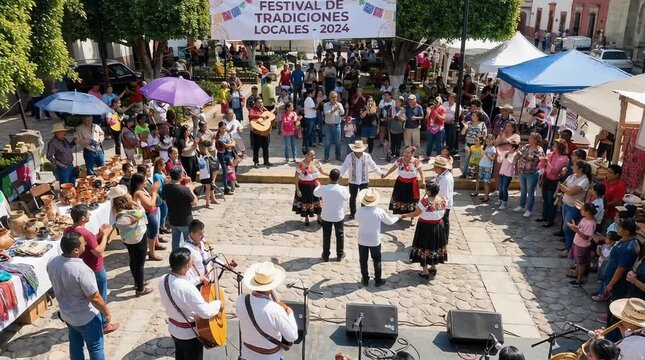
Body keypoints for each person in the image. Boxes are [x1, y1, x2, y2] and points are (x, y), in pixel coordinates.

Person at [47, 232, 112, 360]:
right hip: (86, 317)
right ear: (76, 250)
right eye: (84, 243)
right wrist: (106, 313)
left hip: (68, 315)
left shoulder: (52, 262)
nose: (86, 244)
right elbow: (95, 297)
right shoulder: (82, 270)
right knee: (96, 347)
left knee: (75, 344)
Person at [159, 248, 222, 360]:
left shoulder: (163, 279)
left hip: (174, 329)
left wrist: (198, 279)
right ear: (187, 266)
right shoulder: (187, 288)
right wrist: (218, 304)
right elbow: (205, 312)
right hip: (189, 334)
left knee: (180, 356)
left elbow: (178, 285)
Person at [63, 205, 118, 333]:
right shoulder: (86, 234)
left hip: (81, 266)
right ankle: (104, 324)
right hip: (95, 268)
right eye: (88, 214)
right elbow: (98, 252)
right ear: (83, 218)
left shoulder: (68, 231)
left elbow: (87, 243)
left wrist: (97, 235)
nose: (90, 216)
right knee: (100, 296)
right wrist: (105, 236)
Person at [236, 262, 298, 360]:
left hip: (247, 355)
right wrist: (290, 313)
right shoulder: (275, 310)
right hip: (270, 357)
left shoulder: (240, 300)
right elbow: (292, 336)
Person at [110, 185, 153, 296]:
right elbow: (142, 211)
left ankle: (137, 281)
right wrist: (138, 203)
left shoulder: (116, 210)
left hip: (127, 238)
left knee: (133, 259)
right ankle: (140, 288)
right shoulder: (132, 209)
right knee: (140, 263)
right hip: (138, 237)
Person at [355, 188, 400, 286]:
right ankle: (378, 279)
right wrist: (398, 217)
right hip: (374, 240)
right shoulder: (379, 211)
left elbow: (357, 219)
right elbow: (389, 221)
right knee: (377, 260)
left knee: (363, 260)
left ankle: (365, 278)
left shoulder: (360, 211)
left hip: (362, 239)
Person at [403, 182, 447, 278]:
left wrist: (405, 215)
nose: (425, 190)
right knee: (434, 246)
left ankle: (425, 271)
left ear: (429, 191)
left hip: (426, 227)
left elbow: (416, 213)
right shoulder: (442, 199)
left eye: (426, 189)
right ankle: (433, 266)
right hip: (438, 226)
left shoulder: (424, 202)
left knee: (424, 246)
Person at [340, 140, 383, 219]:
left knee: (364, 197)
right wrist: (340, 174)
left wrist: (380, 173)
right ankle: (353, 213)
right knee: (352, 197)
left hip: (364, 180)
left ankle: (363, 212)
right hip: (353, 180)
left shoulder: (367, 156)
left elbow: (373, 165)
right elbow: (344, 166)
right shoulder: (349, 156)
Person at [314, 169, 350, 262]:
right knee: (340, 235)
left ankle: (325, 255)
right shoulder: (341, 189)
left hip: (326, 215)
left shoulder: (324, 188)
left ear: (329, 177)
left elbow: (315, 193)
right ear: (338, 178)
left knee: (326, 235)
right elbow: (347, 197)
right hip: (338, 216)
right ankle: (340, 254)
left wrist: (318, 185)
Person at [558, 160, 591, 257]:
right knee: (566, 227)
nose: (572, 167)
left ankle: (569, 250)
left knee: (568, 228)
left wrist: (566, 190)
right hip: (566, 204)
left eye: (575, 166)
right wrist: (567, 190)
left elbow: (572, 192)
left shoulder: (584, 180)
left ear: (580, 169)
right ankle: (568, 246)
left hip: (574, 207)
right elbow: (562, 185)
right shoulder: (571, 176)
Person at [130, 173, 164, 261]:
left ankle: (155, 246)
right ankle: (152, 253)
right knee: (152, 235)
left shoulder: (142, 189)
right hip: (150, 215)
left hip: (154, 213)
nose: (146, 182)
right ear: (138, 183)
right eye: (144, 181)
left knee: (155, 232)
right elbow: (150, 205)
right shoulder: (138, 193)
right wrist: (154, 192)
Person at [162, 167, 198, 250]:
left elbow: (164, 200)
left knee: (175, 241)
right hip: (185, 220)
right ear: (181, 176)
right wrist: (191, 189)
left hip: (173, 219)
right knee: (188, 242)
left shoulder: (165, 187)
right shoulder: (184, 189)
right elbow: (194, 202)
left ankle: (175, 259)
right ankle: (187, 260)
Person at [537, 139, 570, 227]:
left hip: (554, 181)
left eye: (555, 146)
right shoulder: (551, 154)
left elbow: (555, 171)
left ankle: (550, 220)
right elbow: (540, 165)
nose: (553, 147)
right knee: (545, 199)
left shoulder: (563, 158)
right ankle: (544, 216)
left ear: (559, 147)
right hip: (546, 179)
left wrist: (547, 162)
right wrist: (543, 162)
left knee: (551, 201)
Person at [383, 146, 424, 215]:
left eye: (408, 152)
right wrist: (386, 174)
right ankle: (400, 215)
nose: (405, 154)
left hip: (411, 184)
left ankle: (412, 217)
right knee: (399, 198)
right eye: (404, 152)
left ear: (412, 154)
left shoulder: (416, 162)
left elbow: (421, 173)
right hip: (400, 183)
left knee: (411, 200)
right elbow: (393, 168)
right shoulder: (400, 160)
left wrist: (423, 182)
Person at [293, 148, 329, 226]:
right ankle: (306, 218)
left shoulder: (316, 162)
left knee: (318, 202)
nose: (314, 156)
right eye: (312, 155)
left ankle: (319, 217)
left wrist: (332, 175)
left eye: (314, 155)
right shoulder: (301, 165)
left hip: (316, 186)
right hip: (305, 187)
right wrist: (298, 189)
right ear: (306, 155)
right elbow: (296, 178)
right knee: (306, 202)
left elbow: (322, 171)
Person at [514, 132, 545, 218]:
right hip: (522, 171)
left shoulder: (539, 149)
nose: (529, 139)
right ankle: (521, 205)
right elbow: (519, 154)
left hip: (532, 173)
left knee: (530, 192)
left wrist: (526, 157)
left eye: (531, 138)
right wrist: (519, 155)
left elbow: (537, 160)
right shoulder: (526, 146)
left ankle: (529, 209)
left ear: (536, 140)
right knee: (523, 190)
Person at [567, 203, 597, 285]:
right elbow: (580, 228)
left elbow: (586, 237)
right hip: (577, 243)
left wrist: (575, 230)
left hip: (583, 245)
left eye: (582, 209)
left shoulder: (590, 224)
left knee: (581, 264)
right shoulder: (584, 219)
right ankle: (575, 275)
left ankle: (579, 279)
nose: (581, 211)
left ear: (587, 212)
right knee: (577, 262)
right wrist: (574, 226)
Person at [249, 98, 277, 168]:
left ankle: (266, 161)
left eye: (261, 102)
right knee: (256, 147)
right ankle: (256, 162)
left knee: (266, 147)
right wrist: (260, 116)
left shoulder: (264, 109)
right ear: (255, 103)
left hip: (265, 131)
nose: (261, 104)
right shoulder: (253, 109)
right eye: (259, 102)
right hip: (256, 132)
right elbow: (250, 115)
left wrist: (276, 110)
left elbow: (270, 116)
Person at [460, 110, 487, 178]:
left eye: (473, 115)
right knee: (467, 158)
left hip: (477, 145)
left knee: (476, 159)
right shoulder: (468, 123)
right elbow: (462, 133)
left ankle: (475, 174)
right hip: (468, 143)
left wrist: (482, 135)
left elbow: (484, 135)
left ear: (478, 117)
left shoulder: (482, 124)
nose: (472, 116)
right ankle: (464, 173)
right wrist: (465, 128)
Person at [433, 157, 454, 242]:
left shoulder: (446, 179)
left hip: (442, 204)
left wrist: (439, 208)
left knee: (444, 221)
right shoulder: (442, 175)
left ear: (440, 168)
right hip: (439, 201)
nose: (434, 168)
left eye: (435, 166)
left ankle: (444, 240)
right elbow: (435, 181)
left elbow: (444, 196)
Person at [602, 165, 627, 232]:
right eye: (607, 171)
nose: (607, 173)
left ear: (617, 175)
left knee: (606, 232)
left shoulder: (620, 186)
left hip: (610, 215)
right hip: (602, 211)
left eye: (610, 172)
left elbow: (617, 202)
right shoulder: (606, 180)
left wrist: (605, 204)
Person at [473, 134, 497, 202]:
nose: (488, 142)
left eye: (489, 141)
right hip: (482, 165)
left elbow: (492, 159)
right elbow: (481, 156)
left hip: (488, 167)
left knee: (486, 182)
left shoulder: (493, 148)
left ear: (493, 141)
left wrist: (487, 154)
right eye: (486, 141)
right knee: (479, 180)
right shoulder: (484, 147)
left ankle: (486, 196)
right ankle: (477, 192)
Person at [497, 140, 519, 210]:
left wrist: (505, 157)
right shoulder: (506, 153)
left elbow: (511, 162)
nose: (508, 147)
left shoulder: (515, 155)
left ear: (513, 148)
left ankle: (504, 202)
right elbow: (499, 161)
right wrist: (500, 155)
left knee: (504, 188)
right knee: (500, 187)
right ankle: (500, 199)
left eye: (509, 146)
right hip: (502, 172)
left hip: (508, 174)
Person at [323, 91, 345, 162]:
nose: (334, 99)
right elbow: (326, 114)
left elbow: (342, 113)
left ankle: (338, 156)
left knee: (338, 142)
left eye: (335, 97)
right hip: (328, 126)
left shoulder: (339, 104)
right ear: (329, 97)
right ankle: (326, 157)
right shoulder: (326, 105)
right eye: (332, 97)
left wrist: (339, 108)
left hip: (337, 125)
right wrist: (334, 110)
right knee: (327, 142)